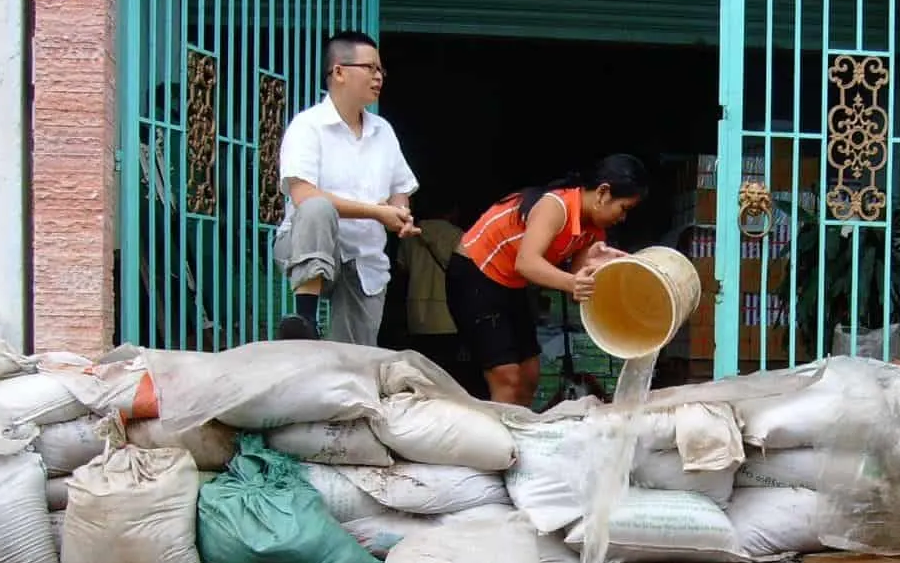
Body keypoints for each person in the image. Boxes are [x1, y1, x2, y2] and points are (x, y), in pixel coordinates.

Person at [446, 156, 649, 405]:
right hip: (475, 275)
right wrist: (573, 283)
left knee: (530, 375)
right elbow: (528, 263)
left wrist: (603, 267)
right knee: (507, 377)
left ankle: (521, 436)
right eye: (623, 208)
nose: (623, 218)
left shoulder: (594, 230)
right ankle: (499, 443)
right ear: (603, 193)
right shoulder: (556, 206)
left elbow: (577, 285)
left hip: (512, 284)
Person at [273, 30, 419, 344]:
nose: (379, 76)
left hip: (364, 258)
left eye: (381, 70)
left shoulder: (383, 131)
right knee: (316, 207)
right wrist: (378, 213)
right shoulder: (307, 126)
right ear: (339, 71)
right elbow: (303, 195)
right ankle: (306, 321)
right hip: (305, 245)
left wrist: (400, 213)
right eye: (370, 68)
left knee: (353, 364)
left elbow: (400, 187)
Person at [397, 196, 485, 396]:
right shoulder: (458, 235)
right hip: (448, 315)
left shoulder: (410, 235)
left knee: (423, 373)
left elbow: (403, 272)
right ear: (452, 212)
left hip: (417, 314)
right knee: (452, 374)